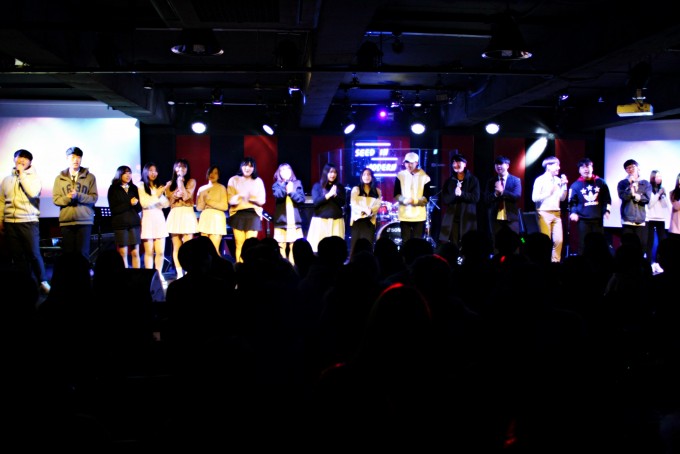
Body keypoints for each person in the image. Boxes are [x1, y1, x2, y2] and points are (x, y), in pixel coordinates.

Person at [0, 149, 50, 294]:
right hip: (10, 222)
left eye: (25, 158)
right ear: (14, 159)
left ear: (30, 162)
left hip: (28, 221)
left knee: (34, 254)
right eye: (19, 157)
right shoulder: (6, 180)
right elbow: (2, 201)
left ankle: (43, 281)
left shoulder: (34, 178)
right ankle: (25, 284)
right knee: (18, 256)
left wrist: (22, 175)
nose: (21, 160)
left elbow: (33, 192)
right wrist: (1, 219)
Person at [52, 146, 98, 260]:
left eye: (78, 157)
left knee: (82, 254)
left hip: (84, 221)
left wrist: (78, 196)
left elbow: (94, 198)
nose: (76, 160)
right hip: (66, 221)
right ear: (67, 158)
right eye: (72, 157)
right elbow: (56, 199)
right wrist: (68, 198)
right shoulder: (59, 178)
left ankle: (84, 272)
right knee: (68, 255)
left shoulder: (90, 177)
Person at [567, 158, 612, 255]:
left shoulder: (601, 182)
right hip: (583, 221)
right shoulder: (575, 185)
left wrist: (607, 211)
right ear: (579, 170)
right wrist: (573, 212)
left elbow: (607, 199)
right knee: (583, 245)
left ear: (592, 168)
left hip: (598, 220)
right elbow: (572, 202)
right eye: (582, 167)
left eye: (588, 166)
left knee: (599, 245)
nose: (585, 169)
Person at [227, 156, 266, 263]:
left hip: (253, 214)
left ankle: (250, 268)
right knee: (239, 244)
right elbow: (230, 200)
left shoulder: (258, 181)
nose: (247, 168)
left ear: (254, 168)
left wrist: (250, 198)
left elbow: (262, 201)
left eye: (250, 166)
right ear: (241, 166)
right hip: (237, 214)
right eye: (245, 165)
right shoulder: (233, 180)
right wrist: (241, 195)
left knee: (251, 245)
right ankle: (239, 268)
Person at [531, 155, 568, 263]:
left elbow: (562, 198)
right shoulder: (540, 180)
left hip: (556, 214)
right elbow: (534, 198)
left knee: (559, 240)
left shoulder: (558, 180)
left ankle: (555, 263)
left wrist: (564, 186)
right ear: (548, 166)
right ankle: (544, 263)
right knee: (545, 241)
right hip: (543, 213)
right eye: (556, 165)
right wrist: (549, 193)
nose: (559, 168)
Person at [165, 158, 197, 278]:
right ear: (175, 169)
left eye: (184, 167)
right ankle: (179, 273)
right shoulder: (169, 184)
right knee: (176, 246)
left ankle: (189, 271)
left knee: (188, 246)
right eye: (178, 166)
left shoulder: (191, 181)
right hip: (175, 213)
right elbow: (169, 202)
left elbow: (186, 196)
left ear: (187, 169)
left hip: (187, 212)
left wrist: (180, 182)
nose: (181, 169)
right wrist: (174, 194)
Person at [483, 155, 522, 254]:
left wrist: (503, 192)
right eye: (496, 164)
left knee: (515, 240)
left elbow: (517, 196)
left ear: (507, 165)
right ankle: (497, 260)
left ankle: (515, 260)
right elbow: (486, 199)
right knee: (496, 242)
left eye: (501, 164)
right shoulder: (491, 181)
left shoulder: (516, 180)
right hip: (495, 217)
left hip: (511, 216)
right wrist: (496, 194)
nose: (498, 166)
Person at [439, 153, 479, 248]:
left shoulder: (473, 179)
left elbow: (476, 198)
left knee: (467, 243)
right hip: (452, 217)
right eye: (453, 162)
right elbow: (445, 199)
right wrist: (454, 194)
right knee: (454, 243)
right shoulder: (449, 180)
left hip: (467, 217)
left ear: (465, 164)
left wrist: (462, 194)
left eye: (458, 162)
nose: (455, 164)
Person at [137, 162, 169, 280]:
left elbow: (166, 204)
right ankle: (149, 276)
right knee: (149, 251)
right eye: (150, 170)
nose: (153, 173)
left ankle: (159, 274)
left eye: (155, 171)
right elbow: (144, 203)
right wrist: (157, 195)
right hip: (148, 219)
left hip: (159, 219)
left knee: (160, 252)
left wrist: (160, 194)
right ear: (145, 171)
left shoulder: (158, 187)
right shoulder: (141, 185)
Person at [307, 162, 346, 253]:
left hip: (337, 221)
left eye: (335, 172)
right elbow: (316, 202)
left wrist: (335, 195)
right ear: (325, 173)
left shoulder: (339, 187)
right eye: (330, 172)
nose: (333, 174)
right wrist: (328, 195)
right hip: (320, 221)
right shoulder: (317, 186)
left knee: (336, 250)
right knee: (319, 248)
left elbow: (343, 203)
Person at [107, 165, 142, 268]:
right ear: (119, 174)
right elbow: (114, 209)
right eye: (125, 173)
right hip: (120, 224)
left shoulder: (134, 188)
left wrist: (136, 204)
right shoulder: (113, 189)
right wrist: (129, 203)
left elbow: (139, 208)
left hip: (134, 223)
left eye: (130, 173)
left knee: (135, 252)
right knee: (123, 253)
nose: (128, 175)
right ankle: (125, 275)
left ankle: (137, 275)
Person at [393, 152, 431, 245]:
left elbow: (426, 197)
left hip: (419, 216)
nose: (409, 165)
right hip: (404, 215)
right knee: (405, 242)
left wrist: (415, 201)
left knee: (417, 242)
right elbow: (396, 194)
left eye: (411, 163)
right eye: (407, 162)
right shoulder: (400, 175)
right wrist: (404, 200)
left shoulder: (425, 177)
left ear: (416, 163)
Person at [272, 163, 306, 264]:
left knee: (294, 246)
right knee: (281, 246)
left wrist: (291, 192)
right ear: (279, 173)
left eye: (287, 169)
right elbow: (278, 195)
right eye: (282, 170)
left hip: (294, 220)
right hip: (281, 221)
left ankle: (293, 267)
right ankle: (283, 267)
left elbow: (301, 199)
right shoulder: (277, 185)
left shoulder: (297, 183)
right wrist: (284, 186)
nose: (285, 172)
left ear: (291, 171)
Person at [617, 159, 651, 255]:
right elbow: (623, 196)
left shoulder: (645, 183)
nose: (630, 169)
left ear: (638, 168)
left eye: (632, 167)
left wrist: (637, 196)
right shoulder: (622, 183)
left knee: (641, 246)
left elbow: (647, 199)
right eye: (628, 168)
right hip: (627, 219)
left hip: (640, 219)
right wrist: (630, 187)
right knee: (627, 247)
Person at [196, 164, 229, 256]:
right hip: (205, 218)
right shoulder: (202, 189)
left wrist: (209, 201)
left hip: (217, 219)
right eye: (211, 172)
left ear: (219, 176)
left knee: (214, 249)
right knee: (204, 250)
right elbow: (199, 208)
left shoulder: (222, 188)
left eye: (215, 173)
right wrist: (202, 199)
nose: (212, 174)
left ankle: (217, 265)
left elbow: (225, 206)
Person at [349, 167, 382, 255]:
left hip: (369, 222)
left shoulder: (377, 191)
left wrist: (370, 211)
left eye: (369, 174)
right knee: (355, 247)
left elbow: (377, 205)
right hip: (357, 221)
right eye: (364, 175)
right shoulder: (356, 189)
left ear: (372, 177)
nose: (366, 176)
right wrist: (364, 210)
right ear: (361, 177)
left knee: (368, 247)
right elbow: (353, 204)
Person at [645, 169, 670, 268]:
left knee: (662, 241)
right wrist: (658, 194)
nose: (659, 178)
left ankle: (659, 263)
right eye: (657, 176)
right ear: (653, 177)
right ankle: (649, 264)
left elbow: (665, 205)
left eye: (660, 176)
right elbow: (650, 204)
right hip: (650, 218)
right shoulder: (649, 188)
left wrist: (663, 195)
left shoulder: (662, 189)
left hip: (661, 219)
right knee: (649, 242)